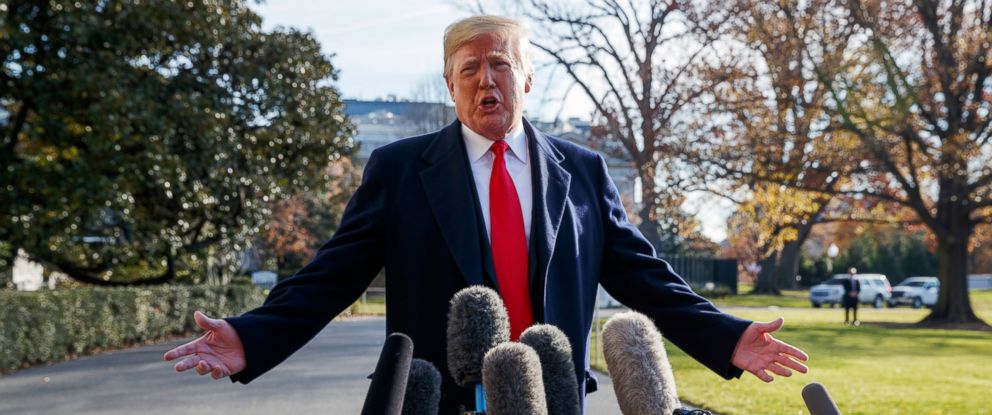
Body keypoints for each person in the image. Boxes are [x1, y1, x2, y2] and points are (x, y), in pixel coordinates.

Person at [164, 15, 809, 413]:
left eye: (500, 63)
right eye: (468, 68)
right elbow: (332, 276)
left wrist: (727, 335)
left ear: (527, 79)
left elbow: (643, 274)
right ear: (450, 85)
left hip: (554, 399)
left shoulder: (581, 171)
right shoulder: (399, 169)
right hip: (440, 403)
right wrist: (252, 336)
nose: (485, 79)